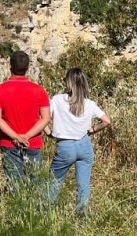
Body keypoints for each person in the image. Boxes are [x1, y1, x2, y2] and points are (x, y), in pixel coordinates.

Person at [46, 68, 111, 214]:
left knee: (54, 182)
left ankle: (46, 211)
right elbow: (107, 120)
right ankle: (81, 214)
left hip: (65, 146)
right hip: (84, 145)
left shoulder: (57, 99)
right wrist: (93, 129)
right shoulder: (89, 103)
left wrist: (49, 133)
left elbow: (43, 119)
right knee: (83, 183)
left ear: (67, 82)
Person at [0, 51, 50, 187]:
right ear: (28, 67)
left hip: (9, 142)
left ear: (10, 67)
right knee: (35, 183)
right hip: (33, 142)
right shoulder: (39, 90)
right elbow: (45, 118)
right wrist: (26, 136)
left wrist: (16, 137)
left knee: (14, 183)